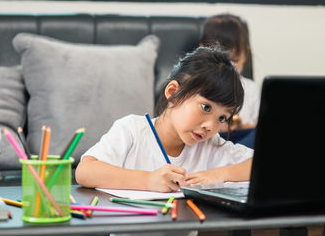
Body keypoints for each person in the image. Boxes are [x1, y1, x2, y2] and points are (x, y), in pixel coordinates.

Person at [75, 47, 253, 193]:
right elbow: (84, 171)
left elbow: (265, 165)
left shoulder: (210, 146)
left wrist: (220, 174)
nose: (210, 126)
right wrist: (147, 180)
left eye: (222, 117)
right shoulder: (132, 130)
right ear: (173, 92)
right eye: (205, 107)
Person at [200, 13, 260, 148]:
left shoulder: (251, 88)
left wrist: (240, 125)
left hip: (241, 140)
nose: (228, 68)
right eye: (220, 60)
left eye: (235, 61)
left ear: (246, 55)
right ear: (201, 51)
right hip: (211, 140)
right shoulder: (199, 87)